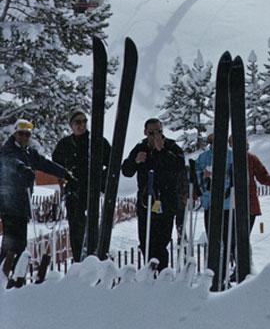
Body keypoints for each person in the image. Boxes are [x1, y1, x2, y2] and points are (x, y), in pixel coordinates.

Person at [0, 120, 70, 281]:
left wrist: (64, 173)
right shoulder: (8, 150)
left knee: (21, 243)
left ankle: (16, 276)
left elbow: (45, 164)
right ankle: (4, 275)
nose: (24, 137)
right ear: (15, 133)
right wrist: (22, 169)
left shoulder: (30, 153)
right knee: (10, 242)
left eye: (27, 134)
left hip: (23, 204)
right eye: (21, 133)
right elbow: (9, 162)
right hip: (9, 203)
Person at [121, 118, 184, 271]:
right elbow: (126, 171)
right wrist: (135, 161)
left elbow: (179, 167)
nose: (156, 136)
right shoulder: (141, 148)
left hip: (166, 202)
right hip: (146, 202)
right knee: (146, 243)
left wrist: (162, 151)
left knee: (161, 243)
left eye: (159, 132)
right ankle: (150, 273)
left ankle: (162, 275)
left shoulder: (171, 146)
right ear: (145, 133)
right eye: (151, 133)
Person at [52, 108, 111, 262]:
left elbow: (111, 163)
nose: (82, 125)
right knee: (76, 227)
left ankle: (95, 256)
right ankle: (79, 259)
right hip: (73, 191)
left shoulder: (97, 141)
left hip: (91, 189)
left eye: (84, 121)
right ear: (71, 125)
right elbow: (55, 166)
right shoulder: (65, 144)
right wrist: (64, 178)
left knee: (91, 225)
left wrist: (101, 181)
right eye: (78, 122)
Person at [195, 133, 231, 235]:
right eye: (212, 142)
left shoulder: (231, 156)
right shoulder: (203, 157)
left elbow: (235, 176)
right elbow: (197, 175)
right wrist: (203, 176)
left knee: (227, 235)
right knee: (211, 235)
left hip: (227, 203)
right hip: (209, 202)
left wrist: (223, 175)